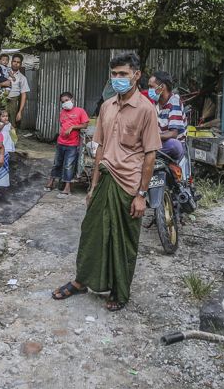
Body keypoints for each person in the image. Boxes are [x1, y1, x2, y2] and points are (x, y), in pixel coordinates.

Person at [52, 52, 161, 312]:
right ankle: (81, 281)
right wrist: (92, 186)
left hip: (129, 185)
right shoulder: (107, 106)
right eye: (114, 74)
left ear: (136, 75)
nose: (117, 78)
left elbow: (150, 155)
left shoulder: (146, 109)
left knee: (122, 241)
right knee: (91, 233)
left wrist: (141, 195)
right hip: (104, 179)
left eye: (123, 74)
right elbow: (99, 148)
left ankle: (119, 290)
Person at [45, 92, 89, 196]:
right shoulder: (63, 112)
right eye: (62, 101)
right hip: (61, 142)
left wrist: (72, 127)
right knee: (57, 163)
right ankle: (51, 181)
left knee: (68, 165)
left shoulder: (80, 111)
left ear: (72, 100)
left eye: (66, 100)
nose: (65, 103)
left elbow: (85, 125)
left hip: (72, 144)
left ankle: (67, 188)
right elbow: (62, 125)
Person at [148, 71, 187, 161]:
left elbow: (173, 134)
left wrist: (152, 136)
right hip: (158, 143)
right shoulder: (155, 104)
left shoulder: (174, 102)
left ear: (162, 87)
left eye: (151, 87)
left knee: (174, 145)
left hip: (172, 145)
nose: (149, 90)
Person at [4, 54, 30, 128]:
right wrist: (3, 84)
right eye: (14, 61)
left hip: (13, 102)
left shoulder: (22, 78)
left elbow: (24, 95)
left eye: (18, 62)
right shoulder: (4, 72)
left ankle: (12, 135)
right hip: (2, 100)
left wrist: (20, 112)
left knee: (12, 124)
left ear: (20, 64)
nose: (16, 63)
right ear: (11, 62)